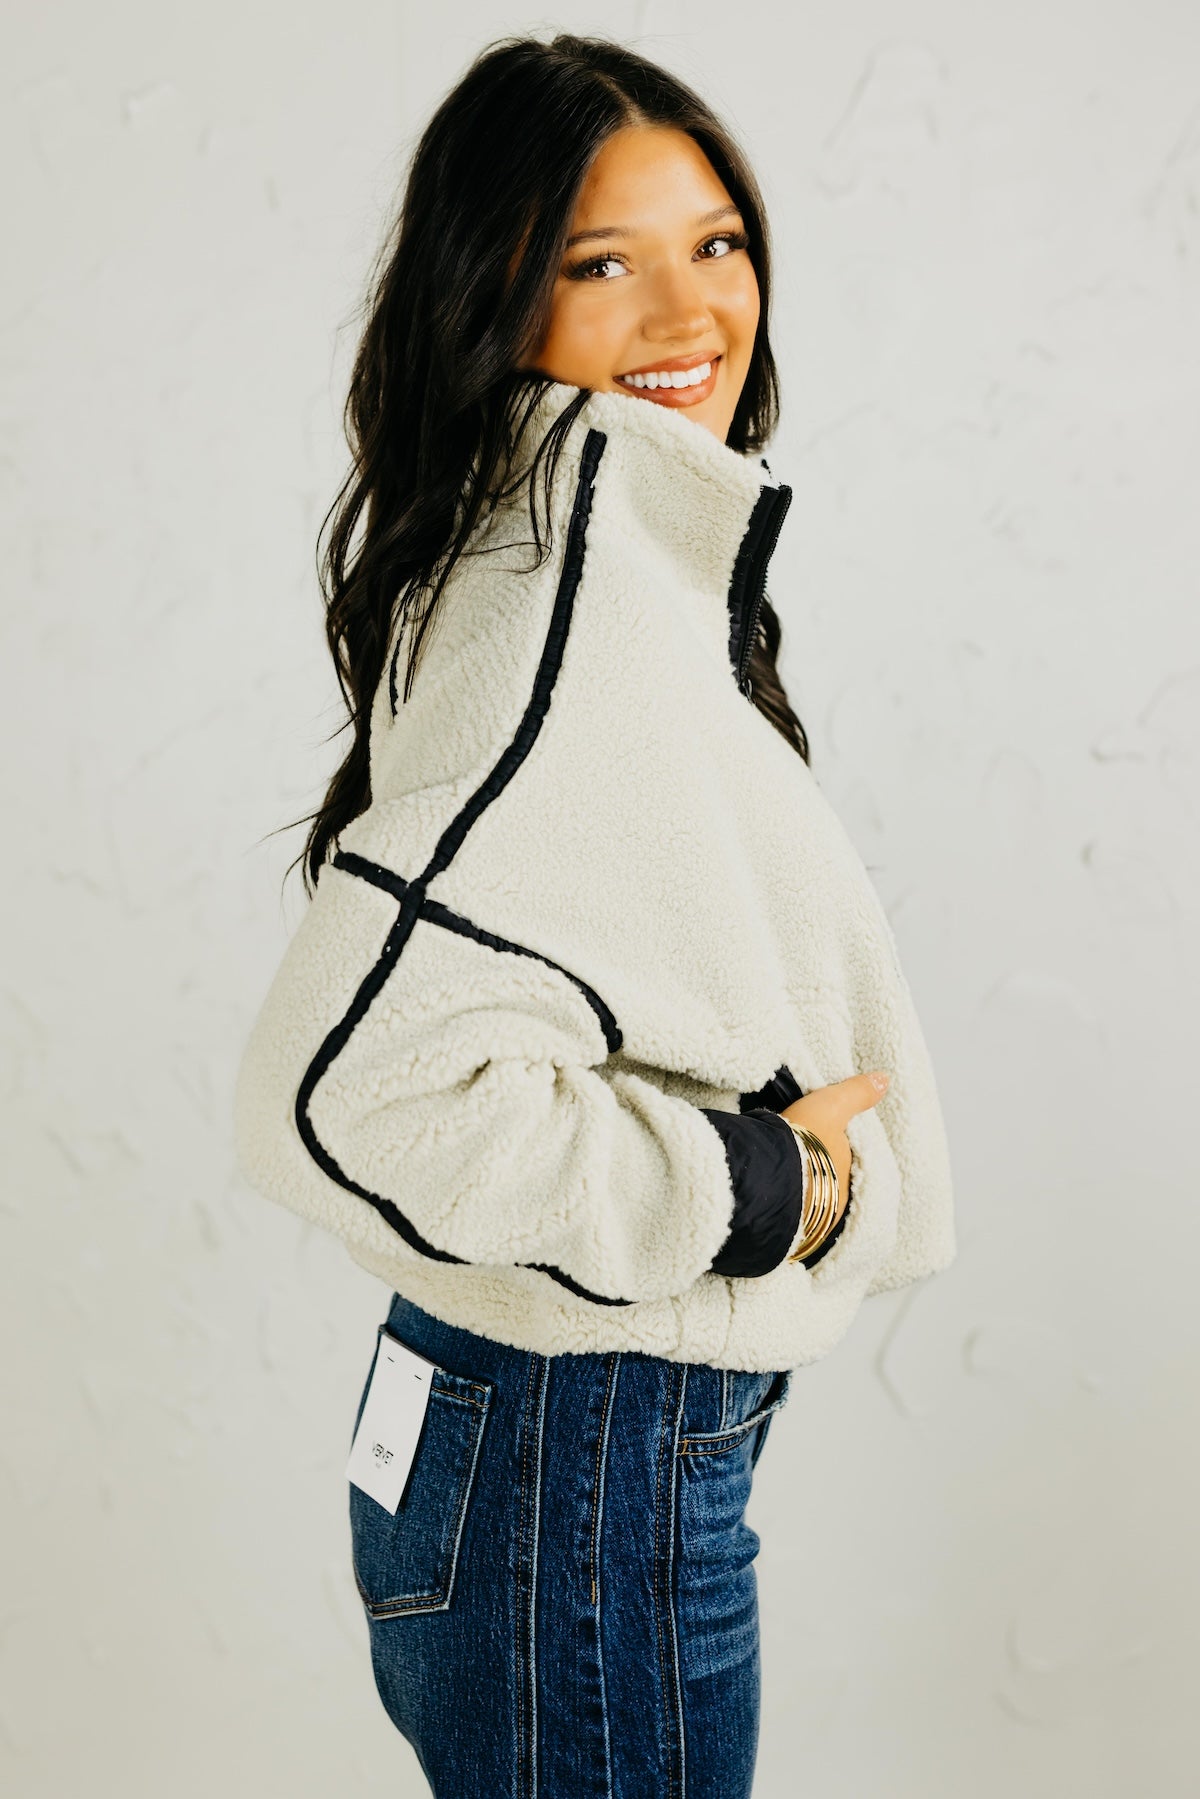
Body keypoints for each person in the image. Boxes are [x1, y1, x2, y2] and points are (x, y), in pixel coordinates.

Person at [232, 31, 957, 1799]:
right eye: (600, 263)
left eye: (717, 244)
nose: (690, 311)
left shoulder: (556, 544)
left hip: (542, 1449)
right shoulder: (574, 602)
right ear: (494, 293)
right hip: (585, 1462)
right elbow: (341, 1096)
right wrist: (760, 1189)